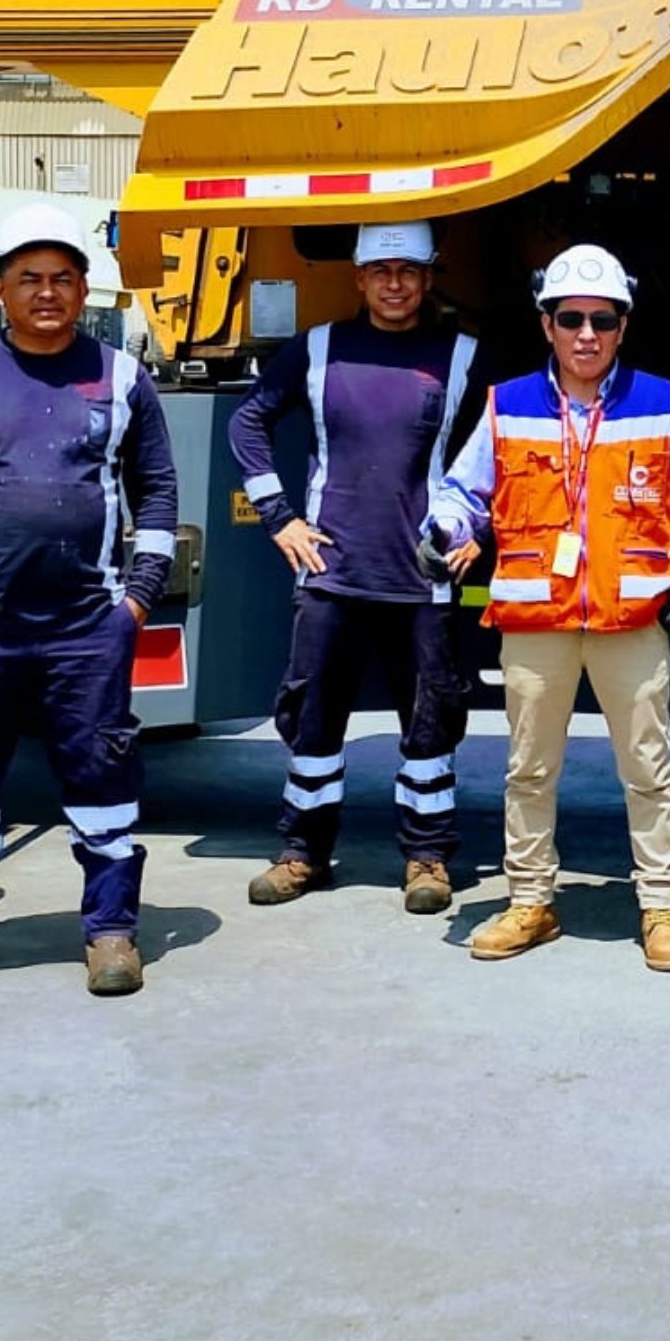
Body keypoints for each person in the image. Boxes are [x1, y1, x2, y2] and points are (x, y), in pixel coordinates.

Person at [0, 204, 177, 1000]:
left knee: (104, 782)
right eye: (29, 279)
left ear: (85, 287)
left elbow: (157, 490)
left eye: (62, 278)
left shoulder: (121, 376)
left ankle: (111, 933)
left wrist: (137, 601)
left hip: (91, 627)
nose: (47, 293)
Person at [424, 244, 670, 973]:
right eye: (572, 319)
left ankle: (660, 908)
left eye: (603, 319)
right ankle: (531, 901)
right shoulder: (507, 405)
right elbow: (459, 494)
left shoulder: (663, 403)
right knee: (529, 770)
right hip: (538, 622)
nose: (587, 333)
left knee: (648, 772)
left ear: (623, 326)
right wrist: (442, 533)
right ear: (547, 324)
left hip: (632, 622)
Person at [229, 220, 484, 916]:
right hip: (332, 573)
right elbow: (246, 424)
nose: (395, 283)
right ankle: (302, 852)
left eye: (408, 271)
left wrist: (481, 528)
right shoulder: (317, 350)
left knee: (430, 723)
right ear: (359, 279)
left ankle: (427, 856)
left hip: (421, 576)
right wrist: (280, 517)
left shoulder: (461, 356)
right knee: (313, 720)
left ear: (430, 277)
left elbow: (502, 450)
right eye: (381, 271)